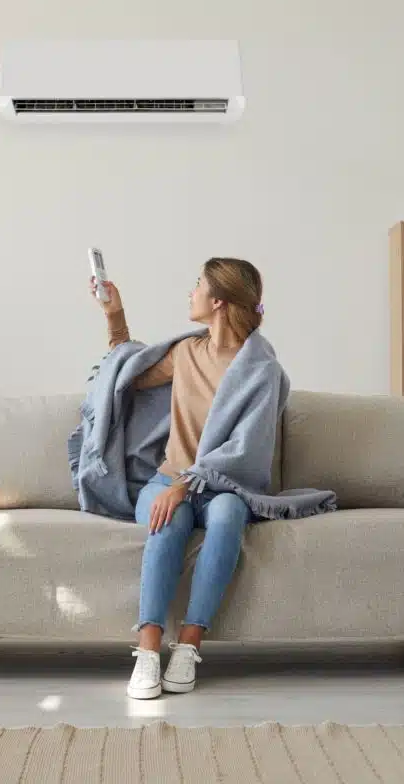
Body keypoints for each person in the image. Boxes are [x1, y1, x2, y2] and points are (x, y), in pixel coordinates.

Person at [89, 257, 267, 700]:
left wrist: (185, 485)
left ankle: (189, 645)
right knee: (170, 518)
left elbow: (247, 449)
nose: (190, 293)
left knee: (227, 514)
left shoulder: (261, 370)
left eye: (197, 285)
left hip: (224, 486)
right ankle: (148, 648)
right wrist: (114, 315)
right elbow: (124, 375)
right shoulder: (187, 353)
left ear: (218, 301)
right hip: (166, 481)